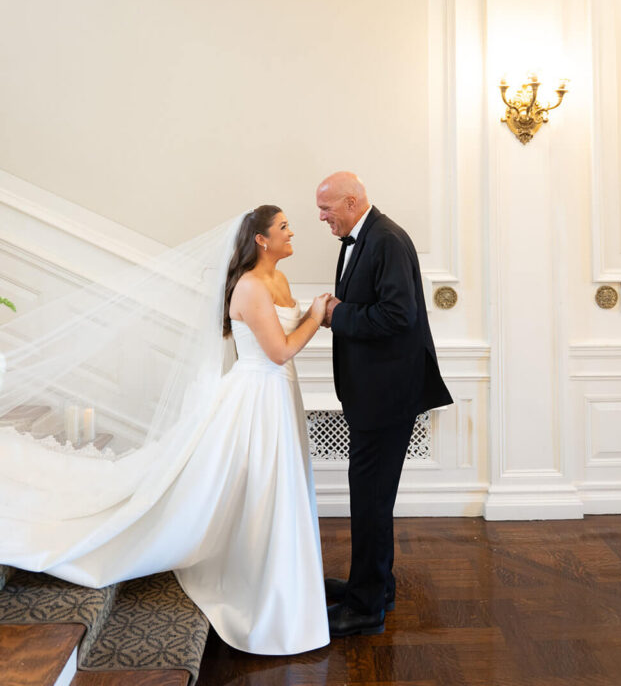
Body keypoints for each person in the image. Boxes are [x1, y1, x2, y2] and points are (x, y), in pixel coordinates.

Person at [0, 206, 331, 655]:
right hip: (257, 398)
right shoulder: (251, 287)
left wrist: (312, 313)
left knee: (275, 490)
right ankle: (263, 588)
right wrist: (315, 315)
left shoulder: (279, 281)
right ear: (260, 240)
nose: (293, 232)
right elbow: (278, 351)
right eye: (284, 227)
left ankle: (283, 583)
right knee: (260, 489)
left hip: (279, 397)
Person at [316, 172, 453, 637]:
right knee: (371, 498)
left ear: (353, 202)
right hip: (372, 391)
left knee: (370, 500)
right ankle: (373, 585)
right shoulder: (364, 235)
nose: (321, 217)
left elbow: (399, 314)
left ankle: (367, 606)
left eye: (327, 208)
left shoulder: (388, 239)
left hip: (386, 394)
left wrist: (337, 314)